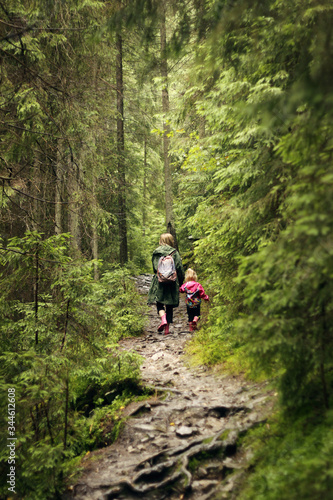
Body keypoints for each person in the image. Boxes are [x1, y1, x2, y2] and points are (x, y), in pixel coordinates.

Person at [147, 233, 184, 335]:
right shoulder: (174, 253)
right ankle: (167, 330)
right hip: (172, 281)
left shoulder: (156, 252)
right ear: (171, 241)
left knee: (159, 303)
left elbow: (155, 268)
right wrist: (180, 282)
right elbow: (179, 268)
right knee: (169, 304)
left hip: (159, 281)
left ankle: (163, 319)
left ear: (161, 240)